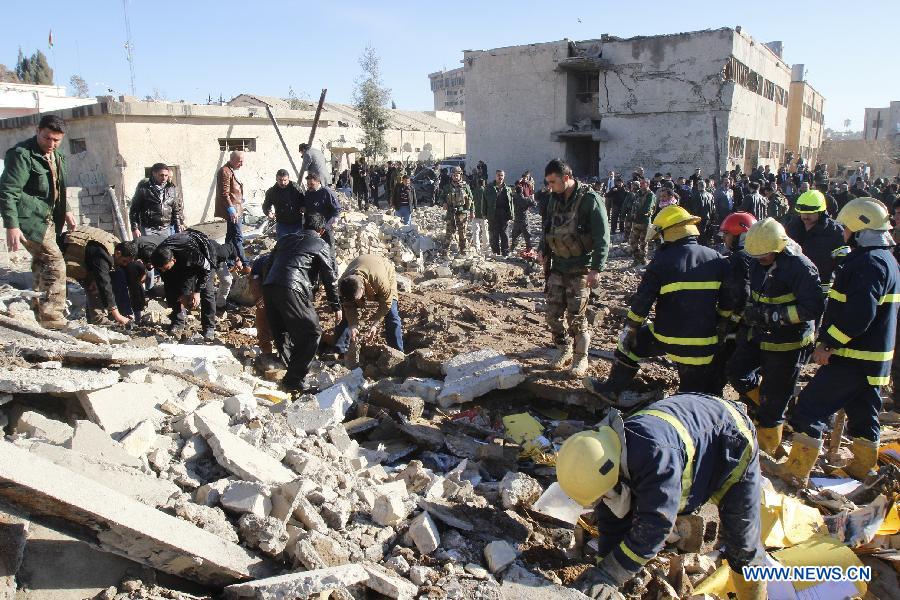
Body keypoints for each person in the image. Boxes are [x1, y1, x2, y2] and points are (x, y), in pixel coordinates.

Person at [557, 393, 765, 600]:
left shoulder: (656, 457)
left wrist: (609, 574)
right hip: (699, 427)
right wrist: (604, 566)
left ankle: (755, 596)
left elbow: (655, 527)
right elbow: (612, 518)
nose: (602, 500)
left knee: (743, 547)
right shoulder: (611, 454)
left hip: (733, 439)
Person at [778, 198, 900, 485]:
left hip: (853, 357)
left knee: (809, 407)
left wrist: (828, 343)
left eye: (847, 227)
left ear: (860, 229)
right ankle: (862, 469)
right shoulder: (887, 261)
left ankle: (796, 471)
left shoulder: (868, 263)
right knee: (863, 414)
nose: (843, 231)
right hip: (874, 359)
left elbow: (859, 315)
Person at [584, 206, 732, 405]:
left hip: (666, 335)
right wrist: (721, 325)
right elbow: (730, 299)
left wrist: (630, 329)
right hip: (704, 342)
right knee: (691, 397)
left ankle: (612, 390)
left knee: (628, 347)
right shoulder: (716, 258)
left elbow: (643, 301)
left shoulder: (662, 260)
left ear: (668, 232)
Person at [728, 218, 824, 456]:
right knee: (737, 372)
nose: (760, 259)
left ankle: (768, 448)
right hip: (761, 335)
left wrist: (775, 315)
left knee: (774, 399)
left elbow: (813, 307)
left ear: (779, 247)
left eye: (765, 255)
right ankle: (773, 407)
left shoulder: (800, 267)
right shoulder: (758, 260)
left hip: (788, 343)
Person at [0, 114, 76, 329]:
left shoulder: (57, 156)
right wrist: (11, 225)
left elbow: (57, 188)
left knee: (41, 264)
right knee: (55, 263)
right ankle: (53, 319)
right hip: (29, 220)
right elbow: (7, 191)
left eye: (56, 140)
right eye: (47, 138)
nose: (51, 144)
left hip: (49, 219)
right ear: (37, 131)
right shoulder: (22, 155)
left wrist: (67, 210)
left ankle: (38, 311)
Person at [541, 159, 609, 377]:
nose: (549, 186)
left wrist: (596, 269)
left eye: (553, 182)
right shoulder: (554, 199)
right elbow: (548, 227)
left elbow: (602, 237)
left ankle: (581, 358)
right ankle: (563, 349)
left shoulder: (590, 200)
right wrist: (544, 251)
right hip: (558, 266)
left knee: (576, 318)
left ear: (566, 178)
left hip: (580, 268)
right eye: (548, 182)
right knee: (552, 314)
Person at [262, 213, 340, 393]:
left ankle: (292, 375)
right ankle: (293, 379)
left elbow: (269, 264)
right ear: (321, 230)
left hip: (270, 286)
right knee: (312, 332)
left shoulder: (286, 239)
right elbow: (330, 275)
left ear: (304, 226)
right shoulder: (321, 243)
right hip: (291, 287)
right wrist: (335, 305)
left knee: (284, 332)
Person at [709, 212, 757, 395]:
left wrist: (729, 322)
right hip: (759, 323)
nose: (725, 239)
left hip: (743, 326)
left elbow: (742, 293)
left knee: (725, 368)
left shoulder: (739, 257)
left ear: (739, 235)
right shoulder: (759, 254)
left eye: (727, 234)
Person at [150, 229, 218, 341]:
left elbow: (206, 269)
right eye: (160, 269)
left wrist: (196, 292)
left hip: (204, 257)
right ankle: (178, 322)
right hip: (182, 262)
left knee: (206, 291)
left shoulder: (190, 252)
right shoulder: (159, 256)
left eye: (165, 268)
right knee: (171, 290)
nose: (163, 270)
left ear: (173, 260)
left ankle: (209, 327)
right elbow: (170, 281)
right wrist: (182, 294)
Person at [334, 254, 404, 362]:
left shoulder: (380, 280)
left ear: (362, 288)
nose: (356, 302)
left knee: (392, 315)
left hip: (383, 268)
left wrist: (374, 323)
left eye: (357, 298)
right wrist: (353, 325)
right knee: (344, 316)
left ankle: (398, 354)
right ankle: (339, 353)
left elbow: (386, 303)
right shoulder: (343, 284)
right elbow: (348, 306)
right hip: (359, 264)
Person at [59, 226, 133, 327]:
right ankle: (53, 317)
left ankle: (97, 320)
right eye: (124, 261)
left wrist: (95, 278)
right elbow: (104, 283)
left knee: (95, 286)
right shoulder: (104, 255)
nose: (124, 265)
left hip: (87, 259)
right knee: (58, 287)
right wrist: (117, 315)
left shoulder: (114, 247)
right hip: (63, 253)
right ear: (118, 253)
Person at [785, 190, 847, 293]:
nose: (805, 215)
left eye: (810, 212)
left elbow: (843, 265)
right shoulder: (792, 227)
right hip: (795, 288)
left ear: (821, 211)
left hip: (822, 290)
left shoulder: (836, 232)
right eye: (803, 211)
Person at [130, 163, 184, 238]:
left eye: (166, 175)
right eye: (161, 175)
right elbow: (134, 210)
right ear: (154, 174)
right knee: (150, 249)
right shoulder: (144, 188)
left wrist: (179, 228)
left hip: (166, 228)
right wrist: (134, 228)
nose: (164, 178)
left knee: (165, 249)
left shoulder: (172, 189)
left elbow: (176, 211)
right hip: (148, 228)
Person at [215, 151, 248, 270]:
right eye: (239, 161)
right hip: (233, 211)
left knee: (230, 236)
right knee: (238, 237)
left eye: (243, 161)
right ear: (232, 159)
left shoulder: (233, 170)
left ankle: (229, 262)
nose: (242, 164)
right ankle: (245, 264)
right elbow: (224, 193)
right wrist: (231, 209)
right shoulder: (225, 171)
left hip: (237, 208)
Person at [301, 172, 341, 261]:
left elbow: (337, 210)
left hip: (325, 228)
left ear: (318, 182)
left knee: (329, 253)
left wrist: (334, 221)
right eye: (308, 184)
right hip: (311, 229)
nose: (309, 186)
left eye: (311, 184)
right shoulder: (308, 193)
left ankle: (332, 272)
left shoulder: (326, 192)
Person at [439, 166, 474, 255]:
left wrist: (471, 212)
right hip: (450, 212)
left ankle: (463, 251)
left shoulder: (465, 186)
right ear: (451, 175)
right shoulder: (447, 187)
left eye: (457, 175)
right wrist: (443, 203)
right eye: (454, 175)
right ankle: (445, 251)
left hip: (462, 213)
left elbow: (471, 199)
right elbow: (441, 197)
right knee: (449, 233)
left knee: (462, 233)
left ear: (460, 175)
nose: (455, 176)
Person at [263, 169, 304, 239]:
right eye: (280, 180)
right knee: (283, 246)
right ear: (276, 179)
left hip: (296, 222)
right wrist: (268, 212)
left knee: (297, 245)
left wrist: (303, 206)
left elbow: (303, 199)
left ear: (288, 179)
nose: (283, 182)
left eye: (285, 180)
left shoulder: (295, 188)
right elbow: (266, 205)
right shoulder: (272, 191)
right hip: (282, 224)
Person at [484, 170, 514, 256]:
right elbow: (484, 201)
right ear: (495, 176)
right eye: (498, 175)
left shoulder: (507, 189)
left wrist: (511, 214)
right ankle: (495, 252)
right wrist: (484, 213)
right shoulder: (489, 188)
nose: (500, 177)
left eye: (501, 175)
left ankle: (505, 252)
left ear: (504, 176)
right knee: (494, 234)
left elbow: (511, 203)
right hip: (493, 214)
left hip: (504, 214)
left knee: (505, 234)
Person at [628, 179, 656, 265]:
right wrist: (632, 214)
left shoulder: (650, 195)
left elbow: (647, 209)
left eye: (643, 183)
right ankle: (636, 259)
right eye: (640, 183)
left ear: (647, 184)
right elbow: (633, 205)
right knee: (633, 241)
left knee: (643, 242)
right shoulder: (638, 193)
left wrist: (637, 213)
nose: (641, 185)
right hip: (636, 221)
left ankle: (643, 259)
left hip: (644, 221)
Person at [509, 183, 535, 251]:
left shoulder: (513, 198)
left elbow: (511, 195)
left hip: (517, 219)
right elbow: (534, 204)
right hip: (524, 220)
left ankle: (512, 247)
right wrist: (531, 199)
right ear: (522, 191)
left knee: (515, 235)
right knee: (527, 236)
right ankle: (529, 248)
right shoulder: (526, 199)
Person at [471, 177, 489, 254]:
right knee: (485, 230)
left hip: (476, 213)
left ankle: (477, 247)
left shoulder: (474, 191)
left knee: (476, 231)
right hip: (484, 214)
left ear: (478, 183)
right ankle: (485, 246)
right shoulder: (486, 191)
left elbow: (471, 201)